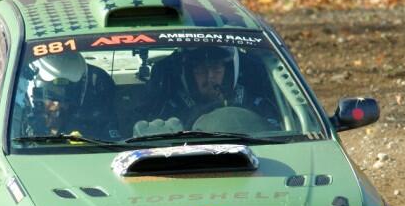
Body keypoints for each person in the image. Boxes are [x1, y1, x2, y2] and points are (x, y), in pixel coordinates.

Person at [147, 45, 281, 129]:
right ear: (189, 74)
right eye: (201, 69)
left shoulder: (255, 104)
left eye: (216, 68)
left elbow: (276, 133)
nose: (210, 76)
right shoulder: (173, 109)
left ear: (227, 72)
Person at [24, 52, 119, 139]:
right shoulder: (16, 113)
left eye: (68, 94)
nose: (57, 104)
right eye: (51, 94)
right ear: (35, 91)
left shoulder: (99, 87)